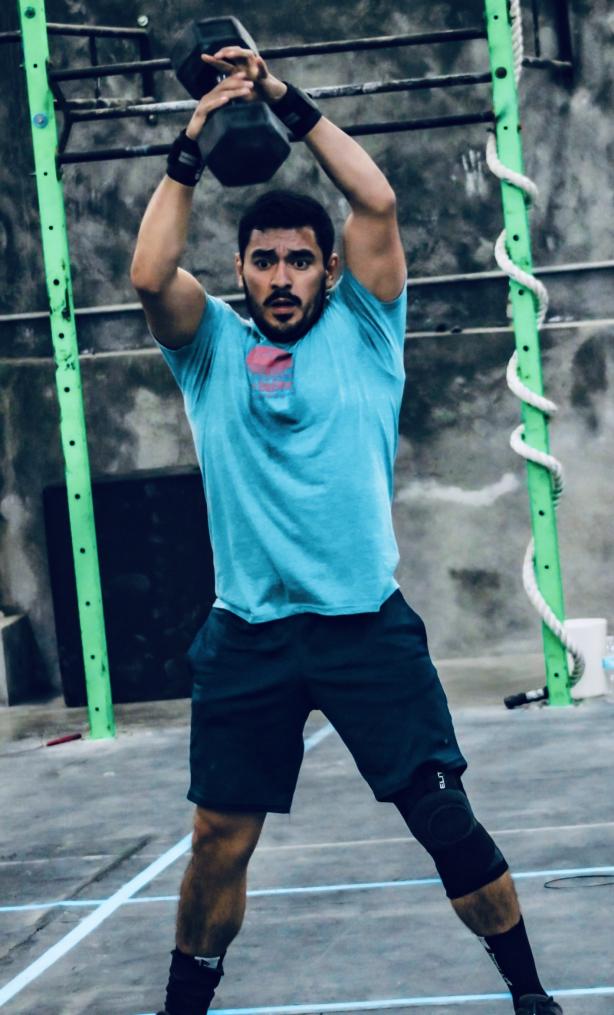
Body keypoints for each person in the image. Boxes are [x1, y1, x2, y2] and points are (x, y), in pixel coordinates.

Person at [130, 42, 563, 1015]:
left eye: (299, 259)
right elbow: (149, 270)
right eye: (264, 260)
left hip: (364, 626)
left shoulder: (366, 328)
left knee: (443, 819)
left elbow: (374, 201)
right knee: (218, 840)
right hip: (248, 634)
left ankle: (534, 999)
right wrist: (194, 136)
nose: (281, 276)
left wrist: (279, 94)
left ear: (327, 268)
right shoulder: (210, 347)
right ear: (241, 269)